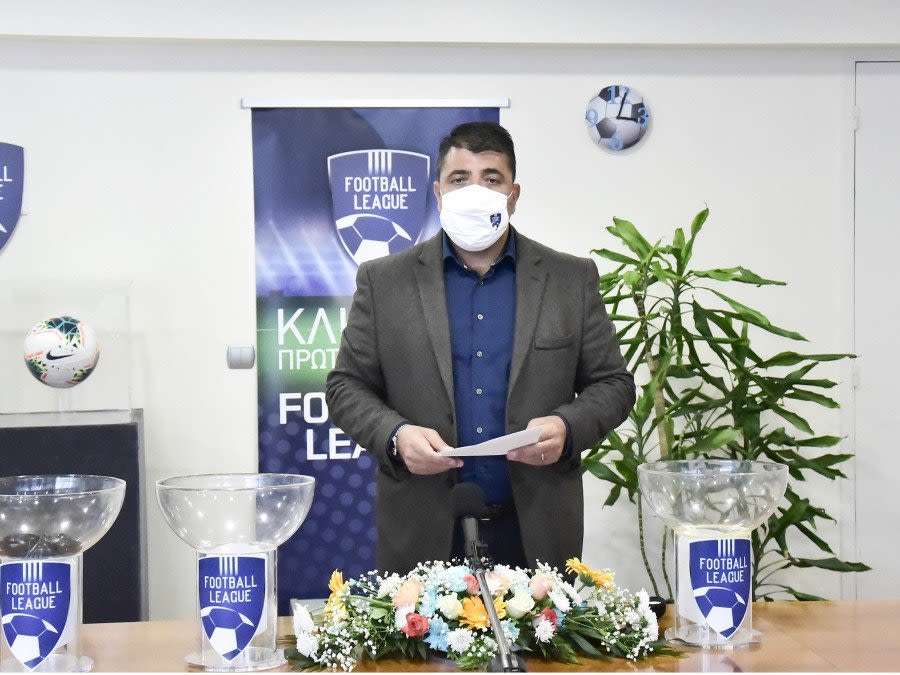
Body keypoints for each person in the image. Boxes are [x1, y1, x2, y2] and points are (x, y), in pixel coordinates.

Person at [325, 121, 635, 574]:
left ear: (514, 195)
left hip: (536, 530)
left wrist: (567, 427)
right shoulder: (384, 281)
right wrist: (396, 436)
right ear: (438, 193)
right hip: (422, 528)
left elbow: (613, 384)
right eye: (459, 179)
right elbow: (345, 387)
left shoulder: (570, 279)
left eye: (491, 179)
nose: (475, 191)